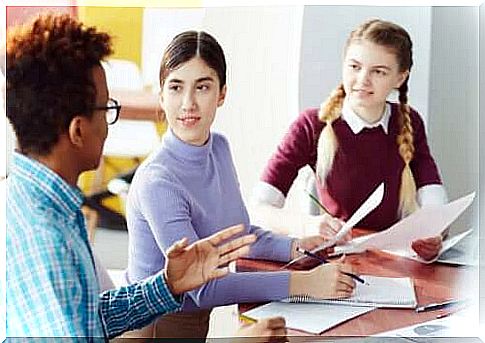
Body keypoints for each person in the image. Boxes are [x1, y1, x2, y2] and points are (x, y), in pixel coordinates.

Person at [5, 14, 284, 340]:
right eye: (105, 109)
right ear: (78, 130)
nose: (109, 124)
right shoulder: (46, 242)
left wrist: (168, 284)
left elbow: (91, 320)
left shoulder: (42, 203)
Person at [125, 30, 356, 339]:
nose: (188, 103)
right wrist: (303, 284)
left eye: (202, 87)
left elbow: (241, 233)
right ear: (162, 95)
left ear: (222, 94)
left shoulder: (218, 147)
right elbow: (198, 286)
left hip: (192, 324)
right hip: (153, 330)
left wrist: (297, 246)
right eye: (176, 87)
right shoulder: (158, 181)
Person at [250, 19, 447, 261]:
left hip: (394, 260)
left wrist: (433, 233)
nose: (363, 80)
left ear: (399, 78)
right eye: (355, 66)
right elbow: (258, 209)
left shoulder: (410, 123)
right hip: (338, 260)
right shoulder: (312, 125)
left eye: (378, 72)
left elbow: (435, 203)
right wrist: (307, 225)